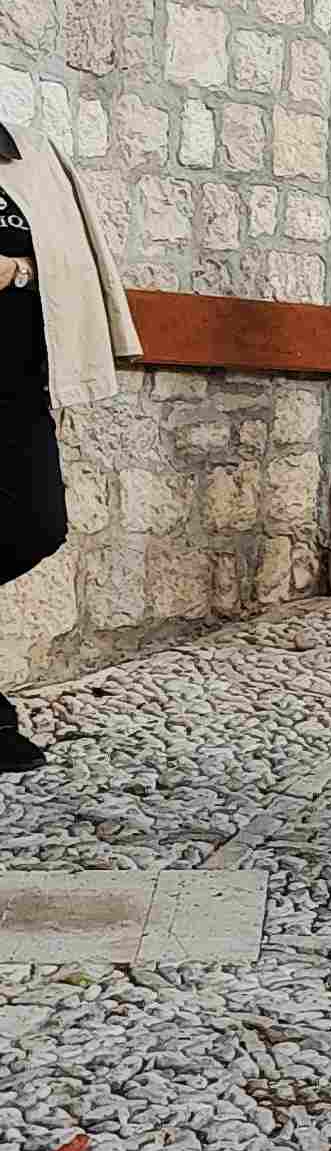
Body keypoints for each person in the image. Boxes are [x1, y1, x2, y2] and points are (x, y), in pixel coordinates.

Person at [0, 121, 142, 772]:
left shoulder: (30, 155)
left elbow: (69, 260)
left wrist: (17, 269)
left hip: (17, 384)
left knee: (37, 524)